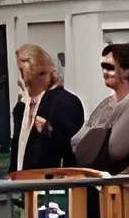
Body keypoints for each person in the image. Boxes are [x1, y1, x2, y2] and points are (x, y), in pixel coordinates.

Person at [69, 43, 129, 170]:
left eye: (109, 67)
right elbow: (76, 143)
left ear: (128, 71)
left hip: (123, 186)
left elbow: (116, 152)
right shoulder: (107, 103)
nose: (104, 72)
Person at [9, 45, 84, 173]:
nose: (19, 79)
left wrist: (47, 130)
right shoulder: (21, 107)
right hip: (21, 186)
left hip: (50, 186)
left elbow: (69, 147)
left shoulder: (63, 101)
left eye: (23, 71)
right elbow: (18, 150)